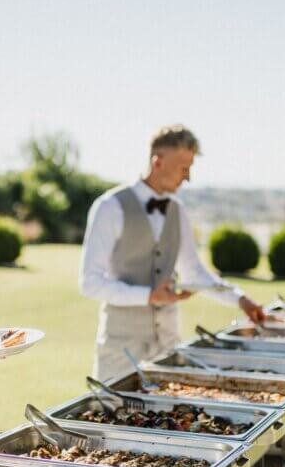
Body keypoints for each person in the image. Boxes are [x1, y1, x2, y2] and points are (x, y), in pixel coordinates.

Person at [79, 125, 265, 380]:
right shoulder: (109, 207)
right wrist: (148, 296)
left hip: (167, 349)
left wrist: (239, 299)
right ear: (158, 162)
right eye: (183, 167)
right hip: (120, 353)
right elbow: (90, 283)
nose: (187, 177)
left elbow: (194, 271)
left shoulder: (178, 211)